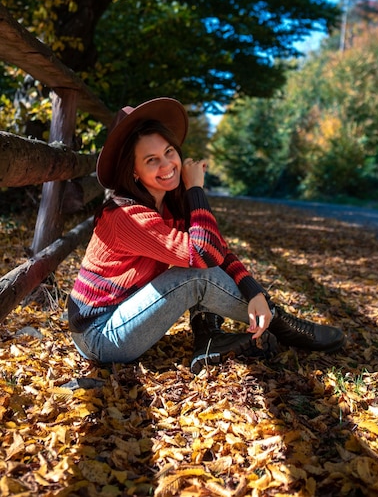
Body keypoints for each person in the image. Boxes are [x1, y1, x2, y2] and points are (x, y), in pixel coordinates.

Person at [68, 98, 345, 374]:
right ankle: (283, 324)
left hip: (123, 315)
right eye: (151, 160)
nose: (167, 165)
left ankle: (209, 336)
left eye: (169, 152)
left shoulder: (167, 204)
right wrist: (196, 190)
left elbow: (219, 250)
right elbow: (202, 254)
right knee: (196, 274)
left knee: (200, 262)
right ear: (133, 171)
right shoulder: (127, 217)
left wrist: (255, 292)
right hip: (99, 335)